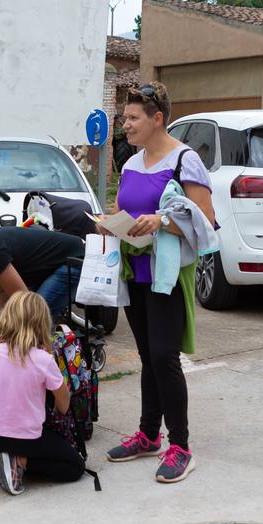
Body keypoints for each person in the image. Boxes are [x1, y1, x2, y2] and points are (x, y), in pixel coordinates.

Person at [103, 82, 216, 485]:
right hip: (135, 273)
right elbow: (122, 208)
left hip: (167, 276)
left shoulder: (186, 160)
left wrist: (163, 220)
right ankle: (149, 435)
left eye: (133, 118)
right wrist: (107, 221)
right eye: (124, 118)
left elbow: (207, 221)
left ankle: (180, 446)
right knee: (148, 358)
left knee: (166, 358)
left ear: (157, 119)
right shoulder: (132, 164)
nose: (125, 125)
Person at [0, 292, 78, 496]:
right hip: (27, 441)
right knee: (75, 467)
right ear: (41, 324)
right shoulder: (43, 359)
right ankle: (21, 461)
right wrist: (55, 414)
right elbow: (63, 400)